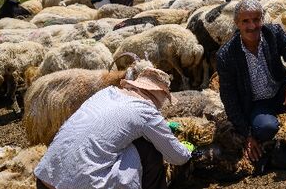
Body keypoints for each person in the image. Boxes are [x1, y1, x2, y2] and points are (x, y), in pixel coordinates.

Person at [34, 67, 192, 189]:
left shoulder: (106, 93)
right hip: (82, 184)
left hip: (46, 177)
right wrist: (188, 149)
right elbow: (177, 157)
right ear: (158, 95)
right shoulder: (146, 111)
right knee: (150, 150)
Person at [216, 0, 286, 171]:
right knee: (265, 127)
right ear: (237, 23)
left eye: (256, 19)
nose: (252, 26)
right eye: (246, 21)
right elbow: (229, 99)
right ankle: (260, 138)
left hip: (280, 91)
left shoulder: (274, 33)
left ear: (262, 19)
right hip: (256, 103)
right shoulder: (226, 55)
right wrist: (246, 134)